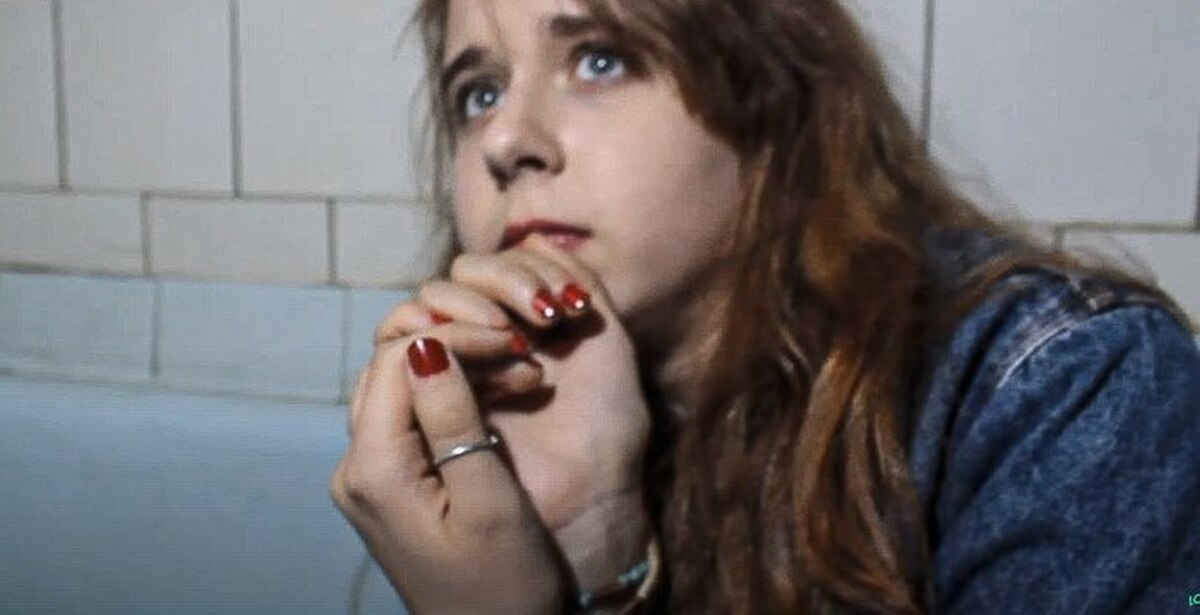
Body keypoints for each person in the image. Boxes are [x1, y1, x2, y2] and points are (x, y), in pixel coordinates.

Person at [329, 0, 1200, 612]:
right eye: (478, 92)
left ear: (772, 93)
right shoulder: (531, 415)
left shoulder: (1066, 384)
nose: (506, 139)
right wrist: (588, 547)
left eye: (599, 58)